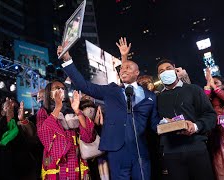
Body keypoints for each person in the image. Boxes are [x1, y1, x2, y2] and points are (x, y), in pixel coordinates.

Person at [58, 45, 161, 180]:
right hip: (116, 149)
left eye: (128, 68)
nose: (123, 70)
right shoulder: (111, 91)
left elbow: (155, 124)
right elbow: (84, 85)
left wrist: (170, 124)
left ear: (137, 73)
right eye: (122, 68)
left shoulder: (150, 97)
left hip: (140, 151)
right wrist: (67, 60)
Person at [156, 59, 217, 180]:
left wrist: (195, 126)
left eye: (168, 68)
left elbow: (210, 115)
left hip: (196, 147)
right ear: (159, 76)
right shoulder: (158, 97)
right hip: (171, 151)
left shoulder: (193, 89)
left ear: (175, 70)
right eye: (161, 71)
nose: (165, 72)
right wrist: (164, 123)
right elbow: (155, 120)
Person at [36, 80, 95, 180]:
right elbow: (44, 133)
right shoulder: (43, 111)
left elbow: (88, 135)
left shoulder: (72, 108)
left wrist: (77, 110)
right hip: (56, 160)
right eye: (57, 88)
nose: (61, 90)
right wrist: (58, 107)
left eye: (63, 89)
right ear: (49, 93)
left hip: (75, 156)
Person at [0, 98, 37, 180]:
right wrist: (7, 118)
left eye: (13, 107)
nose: (11, 109)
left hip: (25, 171)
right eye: (8, 107)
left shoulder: (19, 123)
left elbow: (31, 133)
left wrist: (22, 119)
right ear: (2, 112)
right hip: (5, 171)